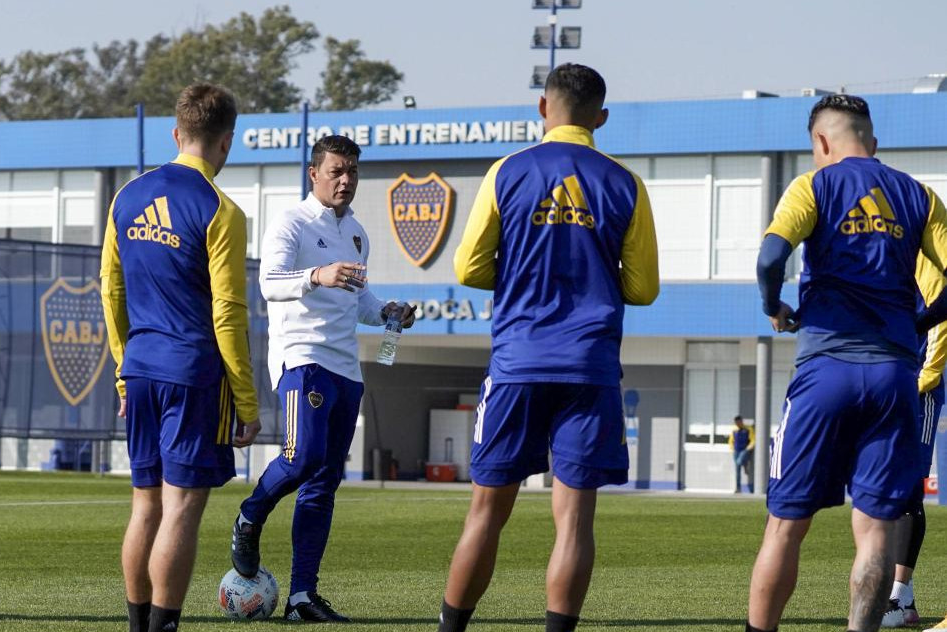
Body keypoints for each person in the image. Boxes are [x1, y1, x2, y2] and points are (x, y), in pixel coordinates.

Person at [437, 63, 659, 632]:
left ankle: (450, 628)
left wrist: (520, 274)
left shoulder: (507, 172)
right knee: (575, 520)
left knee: (486, 513)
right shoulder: (625, 183)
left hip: (518, 363)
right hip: (589, 368)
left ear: (543, 107)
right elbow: (643, 288)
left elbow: (467, 268)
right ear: (601, 118)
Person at [747, 94, 947, 632]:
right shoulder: (920, 196)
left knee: (785, 526)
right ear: (873, 142)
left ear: (820, 142)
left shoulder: (813, 185)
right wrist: (918, 325)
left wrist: (775, 308)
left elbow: (770, 257)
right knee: (877, 529)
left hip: (825, 369)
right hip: (894, 375)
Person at [229, 134, 415, 623]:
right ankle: (250, 515)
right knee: (301, 457)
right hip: (302, 358)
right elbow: (269, 284)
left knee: (324, 483)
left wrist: (390, 312)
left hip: (346, 370)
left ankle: (300, 598)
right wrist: (317, 275)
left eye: (352, 170)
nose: (346, 179)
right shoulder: (291, 222)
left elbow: (363, 302)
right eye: (336, 170)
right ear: (314, 174)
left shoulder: (357, 232)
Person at [100, 83, 261, 632]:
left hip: (141, 368)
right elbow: (228, 314)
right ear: (226, 143)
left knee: (144, 506)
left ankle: (137, 624)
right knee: (182, 508)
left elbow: (110, 290)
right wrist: (246, 399)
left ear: (176, 134)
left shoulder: (127, 196)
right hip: (194, 374)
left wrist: (123, 373)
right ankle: (164, 626)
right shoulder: (220, 210)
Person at [881, 256, 947, 628]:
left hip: (918, 390)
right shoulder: (883, 255)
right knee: (885, 490)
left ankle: (898, 595)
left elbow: (941, 320)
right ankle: (902, 599)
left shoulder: (924, 259)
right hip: (887, 385)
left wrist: (925, 378)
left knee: (906, 488)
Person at [729, 415, 756, 493]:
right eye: (736, 423)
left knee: (739, 462)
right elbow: (731, 441)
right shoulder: (734, 430)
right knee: (737, 470)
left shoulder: (748, 429)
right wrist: (732, 449)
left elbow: (753, 440)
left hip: (744, 450)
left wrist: (749, 448)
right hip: (736, 451)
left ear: (741, 421)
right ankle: (738, 488)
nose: (737, 424)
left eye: (738, 422)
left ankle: (745, 464)